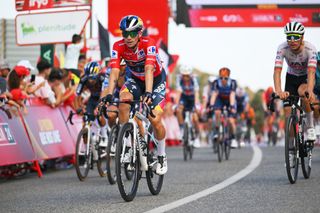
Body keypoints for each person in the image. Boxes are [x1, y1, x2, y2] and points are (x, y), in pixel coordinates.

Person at [102, 15, 167, 175]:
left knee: (155, 119)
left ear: (139, 33)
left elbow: (149, 69)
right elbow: (115, 72)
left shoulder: (148, 44)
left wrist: (149, 92)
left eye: (132, 33)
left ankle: (161, 156)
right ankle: (128, 146)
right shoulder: (118, 46)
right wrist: (109, 94)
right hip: (135, 80)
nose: (128, 37)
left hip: (155, 80)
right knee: (123, 101)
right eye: (125, 34)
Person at [273, 21, 317, 141]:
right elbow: (277, 71)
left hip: (305, 77)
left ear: (302, 37)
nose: (292, 40)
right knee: (288, 114)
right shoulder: (282, 48)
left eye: (296, 37)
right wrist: (278, 91)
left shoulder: (310, 49)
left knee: (303, 93)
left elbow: (311, 72)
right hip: (291, 78)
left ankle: (310, 126)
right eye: (289, 37)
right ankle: (291, 148)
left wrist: (310, 90)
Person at [209, 67, 238, 148]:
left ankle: (233, 138)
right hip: (220, 99)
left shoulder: (233, 82)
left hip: (229, 99)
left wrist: (232, 106)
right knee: (217, 112)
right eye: (221, 77)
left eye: (225, 78)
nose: (223, 79)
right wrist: (211, 105)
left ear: (228, 77)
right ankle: (217, 131)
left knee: (231, 121)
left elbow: (232, 94)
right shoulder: (216, 82)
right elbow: (214, 94)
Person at [175, 65, 201, 147]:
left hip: (192, 97)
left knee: (195, 117)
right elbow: (178, 92)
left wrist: (196, 104)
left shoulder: (194, 78)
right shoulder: (179, 78)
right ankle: (182, 130)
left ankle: (197, 138)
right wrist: (176, 104)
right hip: (184, 97)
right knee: (179, 110)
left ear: (190, 74)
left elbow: (196, 92)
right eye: (184, 75)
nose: (185, 77)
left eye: (187, 75)